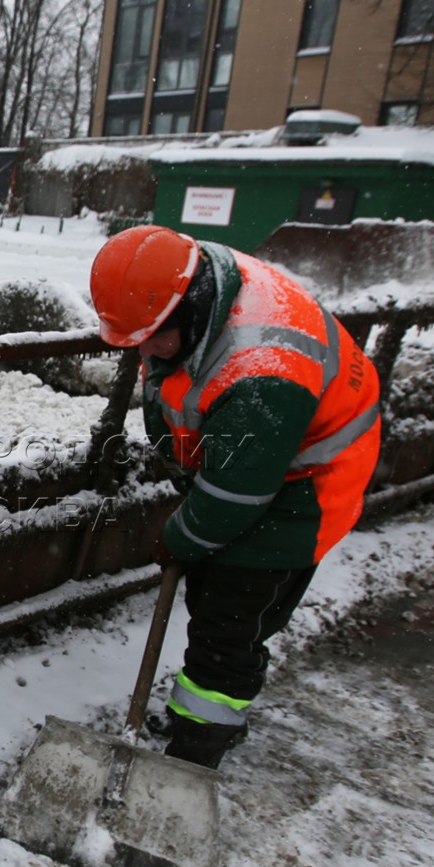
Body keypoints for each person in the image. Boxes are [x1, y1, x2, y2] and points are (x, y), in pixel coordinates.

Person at [88, 224, 381, 770]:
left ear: (191, 309)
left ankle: (197, 750)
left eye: (152, 338)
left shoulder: (260, 371)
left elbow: (235, 494)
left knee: (230, 619)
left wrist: (180, 537)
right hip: (259, 460)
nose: (145, 354)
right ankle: (201, 717)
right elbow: (190, 408)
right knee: (212, 592)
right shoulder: (191, 286)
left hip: (309, 486)